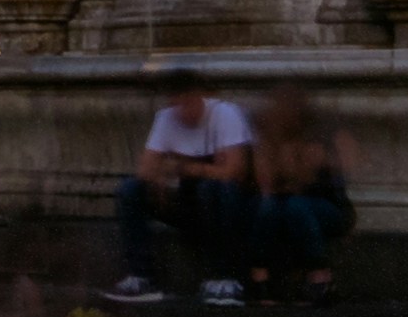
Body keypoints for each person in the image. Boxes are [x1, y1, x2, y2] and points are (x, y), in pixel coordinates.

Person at [111, 70, 256, 303]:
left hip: (224, 206)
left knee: (214, 189)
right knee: (130, 190)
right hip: (182, 201)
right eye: (176, 103)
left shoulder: (225, 114)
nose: (181, 111)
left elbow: (234, 172)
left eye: (187, 102)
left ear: (198, 97)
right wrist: (161, 179)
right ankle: (140, 274)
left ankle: (225, 275)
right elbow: (146, 169)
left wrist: (185, 167)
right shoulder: (165, 118)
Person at [243, 83, 353, 301]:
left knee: (295, 207)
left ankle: (320, 276)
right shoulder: (267, 140)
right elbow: (266, 185)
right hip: (279, 206)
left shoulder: (321, 137)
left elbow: (307, 182)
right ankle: (260, 277)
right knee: (267, 207)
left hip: (326, 207)